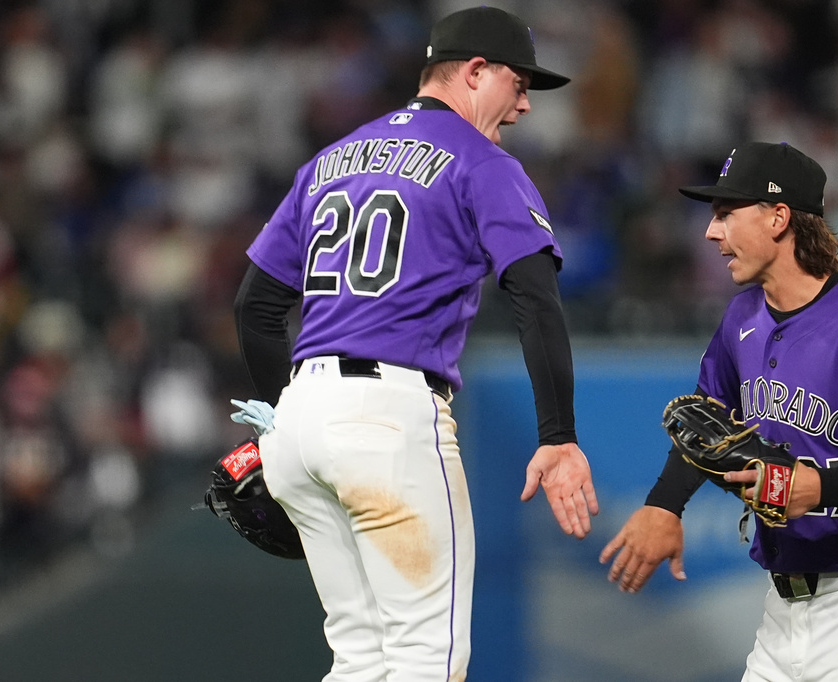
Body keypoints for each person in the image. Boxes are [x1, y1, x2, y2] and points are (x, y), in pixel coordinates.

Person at [230, 6, 598, 681]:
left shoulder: (329, 160)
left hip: (301, 421)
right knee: (427, 660)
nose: (522, 107)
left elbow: (254, 306)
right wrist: (558, 433)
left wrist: (287, 421)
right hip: (389, 419)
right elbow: (534, 298)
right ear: (475, 71)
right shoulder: (480, 162)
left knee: (360, 658)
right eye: (518, 85)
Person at [600, 141, 838, 681]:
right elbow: (707, 423)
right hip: (780, 612)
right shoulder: (742, 317)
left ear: (779, 218)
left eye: (726, 214)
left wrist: (817, 488)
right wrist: (664, 505)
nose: (711, 232)